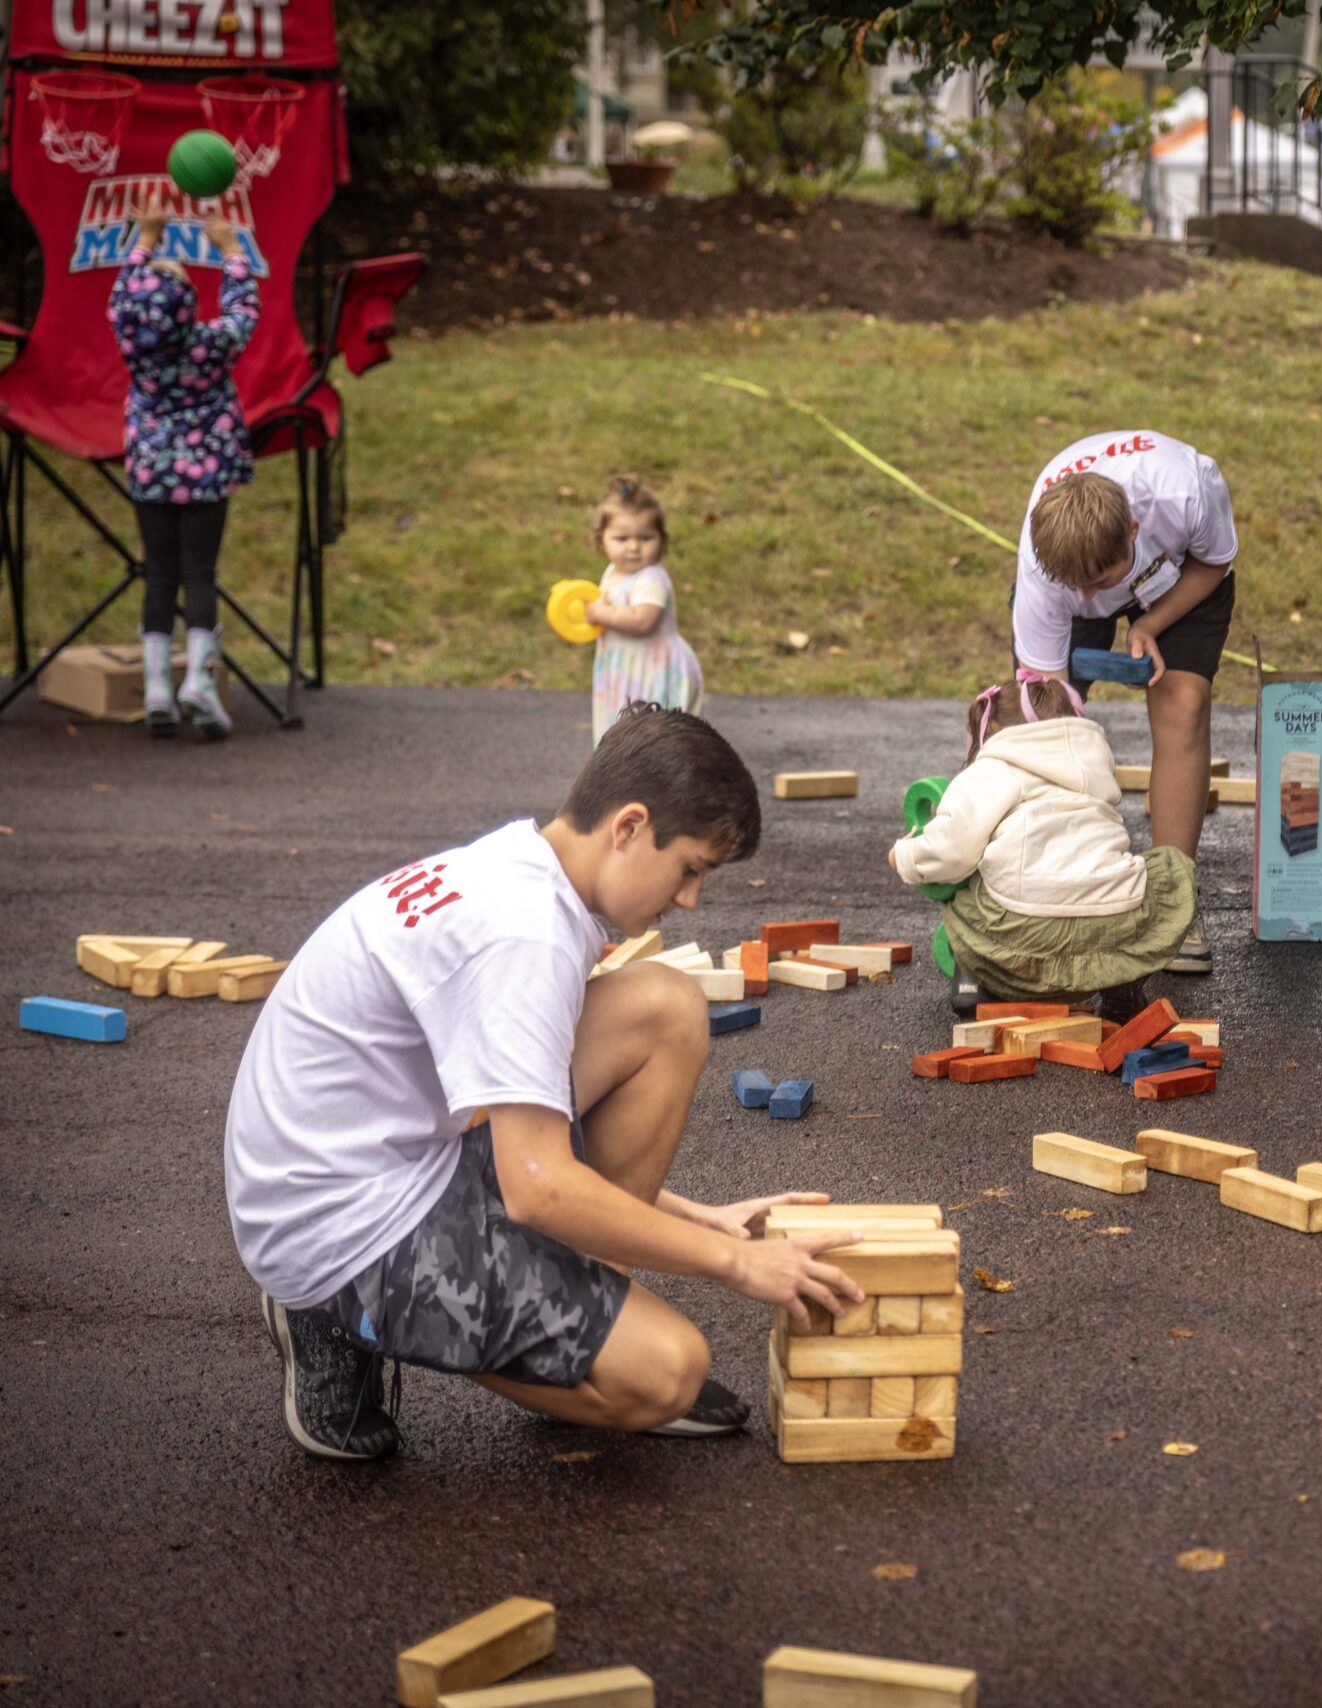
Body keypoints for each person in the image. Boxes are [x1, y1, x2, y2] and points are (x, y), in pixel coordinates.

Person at [224, 707, 861, 1461]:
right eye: (690, 867)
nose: (691, 898)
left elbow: (518, 1132)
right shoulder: (524, 935)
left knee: (664, 1009)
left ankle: (577, 1337)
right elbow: (535, 1183)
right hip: (340, 1228)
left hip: (379, 1159)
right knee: (668, 1372)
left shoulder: (517, 867)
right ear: (627, 827)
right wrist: (736, 1261)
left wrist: (701, 1220)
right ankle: (334, 1318)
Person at [1012, 430, 1235, 975]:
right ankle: (1048, 892)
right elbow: (1047, 709)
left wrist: (1151, 624)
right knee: (1038, 730)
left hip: (1178, 574)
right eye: (1077, 586)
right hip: (1091, 565)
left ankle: (1172, 903)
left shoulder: (1187, 492)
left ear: (1134, 530)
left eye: (1100, 583)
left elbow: (1215, 563)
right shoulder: (1045, 575)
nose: (1091, 597)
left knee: (1183, 706)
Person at [891, 670, 1195, 1018]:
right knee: (1170, 868)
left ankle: (977, 983)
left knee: (959, 876)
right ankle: (1122, 987)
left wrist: (904, 854)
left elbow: (949, 851)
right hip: (1111, 931)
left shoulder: (994, 767)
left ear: (991, 731)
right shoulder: (1095, 761)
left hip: (1024, 936)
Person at [111, 206, 258, 739]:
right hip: (207, 473)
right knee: (199, 573)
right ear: (189, 306)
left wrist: (146, 238)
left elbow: (123, 294)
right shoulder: (210, 344)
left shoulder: (132, 343)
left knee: (158, 573)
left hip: (151, 472)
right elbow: (243, 309)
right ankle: (197, 679)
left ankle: (155, 690)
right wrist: (231, 250)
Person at [583, 477, 704, 748]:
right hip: (624, 669)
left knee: (654, 741)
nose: (634, 547)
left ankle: (655, 785)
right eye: (621, 538)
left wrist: (599, 614)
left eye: (645, 537)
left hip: (654, 670)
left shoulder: (651, 579)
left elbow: (642, 621)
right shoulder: (613, 573)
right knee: (623, 738)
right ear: (601, 542)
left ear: (661, 541)